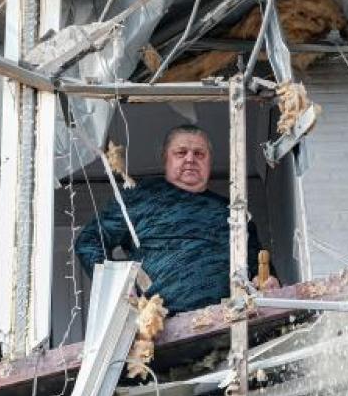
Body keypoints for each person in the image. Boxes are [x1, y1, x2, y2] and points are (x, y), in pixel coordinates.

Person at [75, 124, 277, 313]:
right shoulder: (140, 198)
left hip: (227, 322)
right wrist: (119, 289)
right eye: (181, 153)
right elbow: (89, 241)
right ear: (166, 159)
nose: (190, 159)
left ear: (209, 161)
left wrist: (267, 282)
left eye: (199, 154)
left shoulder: (233, 213)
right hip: (158, 328)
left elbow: (259, 269)